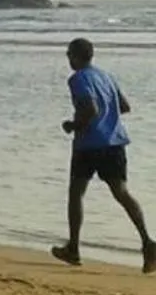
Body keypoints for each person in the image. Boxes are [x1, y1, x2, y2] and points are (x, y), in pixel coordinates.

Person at [51, 38, 155, 273]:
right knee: (122, 193)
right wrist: (109, 118)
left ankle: (74, 248)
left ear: (76, 56)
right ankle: (148, 242)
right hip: (115, 141)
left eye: (69, 54)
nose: (68, 59)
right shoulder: (105, 76)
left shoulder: (78, 78)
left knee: (76, 193)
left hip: (89, 144)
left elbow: (90, 108)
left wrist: (74, 125)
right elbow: (124, 106)